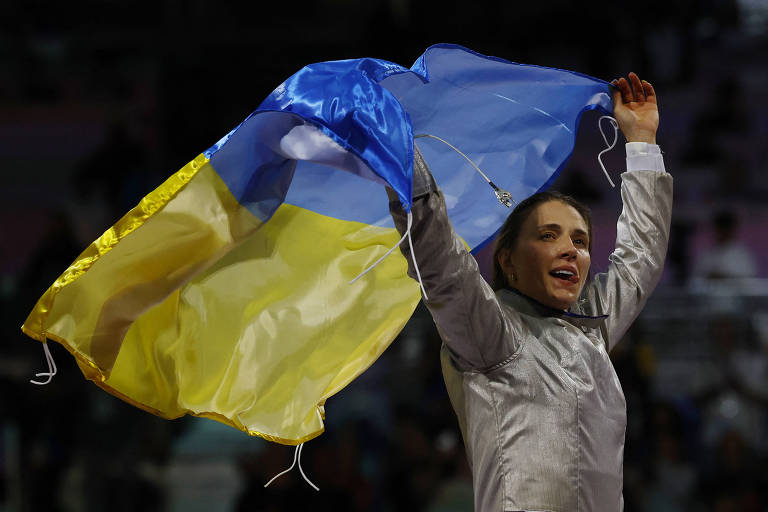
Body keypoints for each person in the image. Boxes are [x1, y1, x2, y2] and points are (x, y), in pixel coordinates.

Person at [387, 72, 672, 511]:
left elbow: (642, 255)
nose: (570, 251)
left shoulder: (591, 330)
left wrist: (641, 141)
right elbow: (440, 262)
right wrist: (399, 153)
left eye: (579, 241)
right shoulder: (492, 334)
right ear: (507, 260)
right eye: (548, 236)